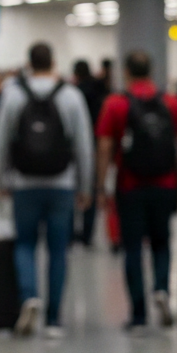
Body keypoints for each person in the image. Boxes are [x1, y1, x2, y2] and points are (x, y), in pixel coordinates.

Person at [0, 42, 93, 338]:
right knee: (59, 250)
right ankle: (54, 320)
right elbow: (83, 145)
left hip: (24, 183)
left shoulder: (14, 94)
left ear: (29, 63)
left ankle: (29, 296)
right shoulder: (71, 96)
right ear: (54, 62)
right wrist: (86, 187)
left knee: (25, 244)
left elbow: (0, 141)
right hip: (62, 183)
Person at [95, 50, 177, 331]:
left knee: (133, 248)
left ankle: (138, 314)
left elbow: (104, 146)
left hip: (130, 185)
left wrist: (101, 185)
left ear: (126, 72)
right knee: (162, 242)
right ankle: (162, 289)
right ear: (151, 70)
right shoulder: (171, 102)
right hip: (165, 183)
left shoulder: (116, 104)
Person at [73, 59, 108, 246]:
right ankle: (88, 233)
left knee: (73, 187)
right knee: (92, 188)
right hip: (95, 144)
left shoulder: (74, 93)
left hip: (75, 146)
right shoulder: (101, 91)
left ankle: (70, 232)